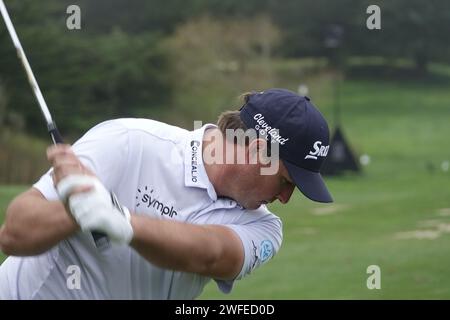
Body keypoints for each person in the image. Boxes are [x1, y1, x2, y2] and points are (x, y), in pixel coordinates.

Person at [0, 88, 333, 299]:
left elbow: (212, 254)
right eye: (286, 182)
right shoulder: (129, 142)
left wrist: (119, 219)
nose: (286, 199)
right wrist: (77, 209)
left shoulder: (266, 229)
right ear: (260, 152)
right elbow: (14, 234)